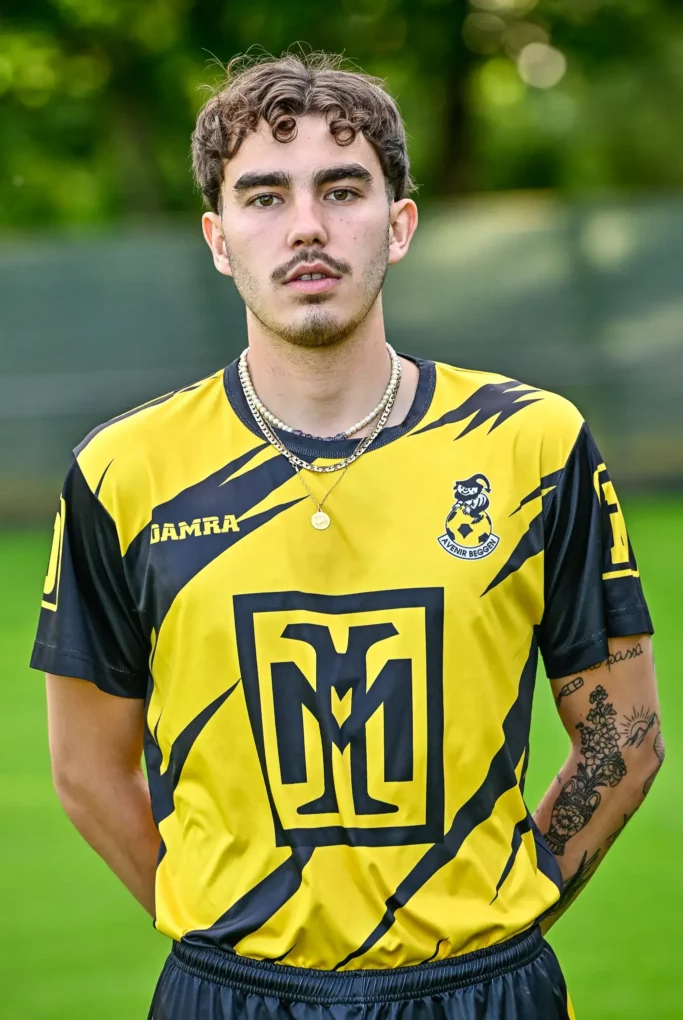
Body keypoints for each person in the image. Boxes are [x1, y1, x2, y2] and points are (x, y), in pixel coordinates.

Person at [32, 52, 664, 1020]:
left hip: (484, 989)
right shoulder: (124, 471)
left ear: (398, 223)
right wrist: (226, 936)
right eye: (262, 196)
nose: (306, 227)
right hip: (229, 991)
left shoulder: (532, 444)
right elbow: (85, 768)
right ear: (216, 237)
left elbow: (621, 739)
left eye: (341, 188)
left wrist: (502, 917)